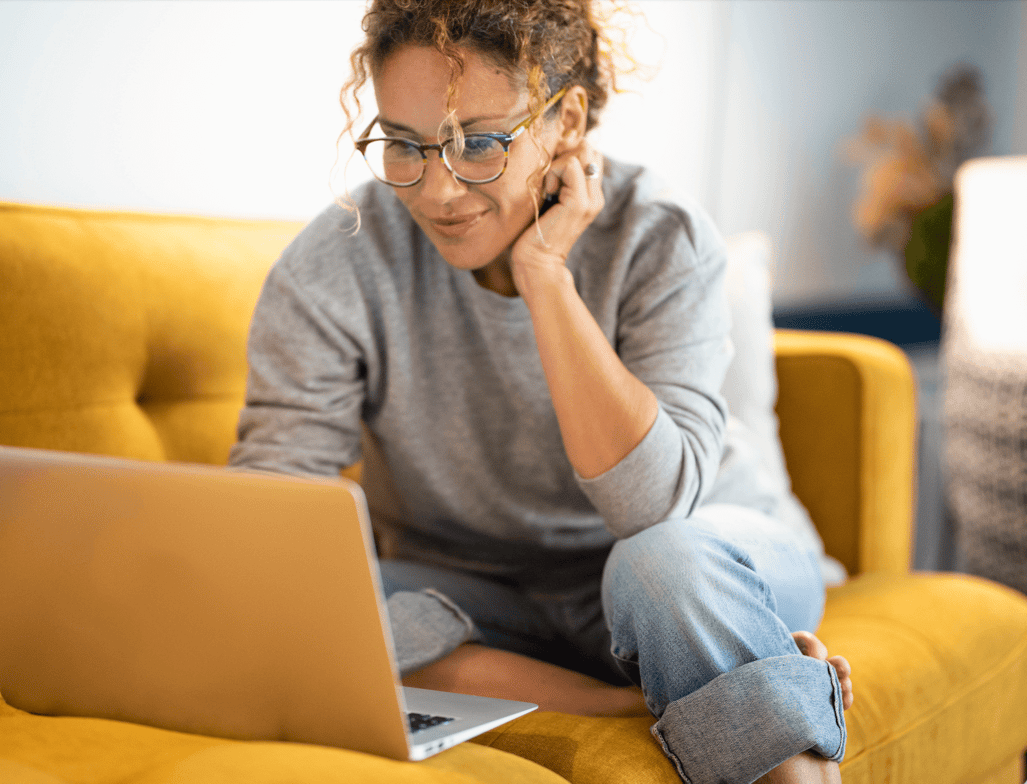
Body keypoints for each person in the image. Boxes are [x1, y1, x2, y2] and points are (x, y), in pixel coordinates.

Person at [229, 2, 852, 782]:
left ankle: (739, 703)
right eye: (404, 145)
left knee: (661, 564)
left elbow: (651, 509)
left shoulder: (661, 237)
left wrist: (546, 278)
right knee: (276, 601)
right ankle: (625, 695)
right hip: (481, 602)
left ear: (567, 122)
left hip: (692, 565)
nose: (437, 191)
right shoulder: (335, 264)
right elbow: (268, 521)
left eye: (479, 143)